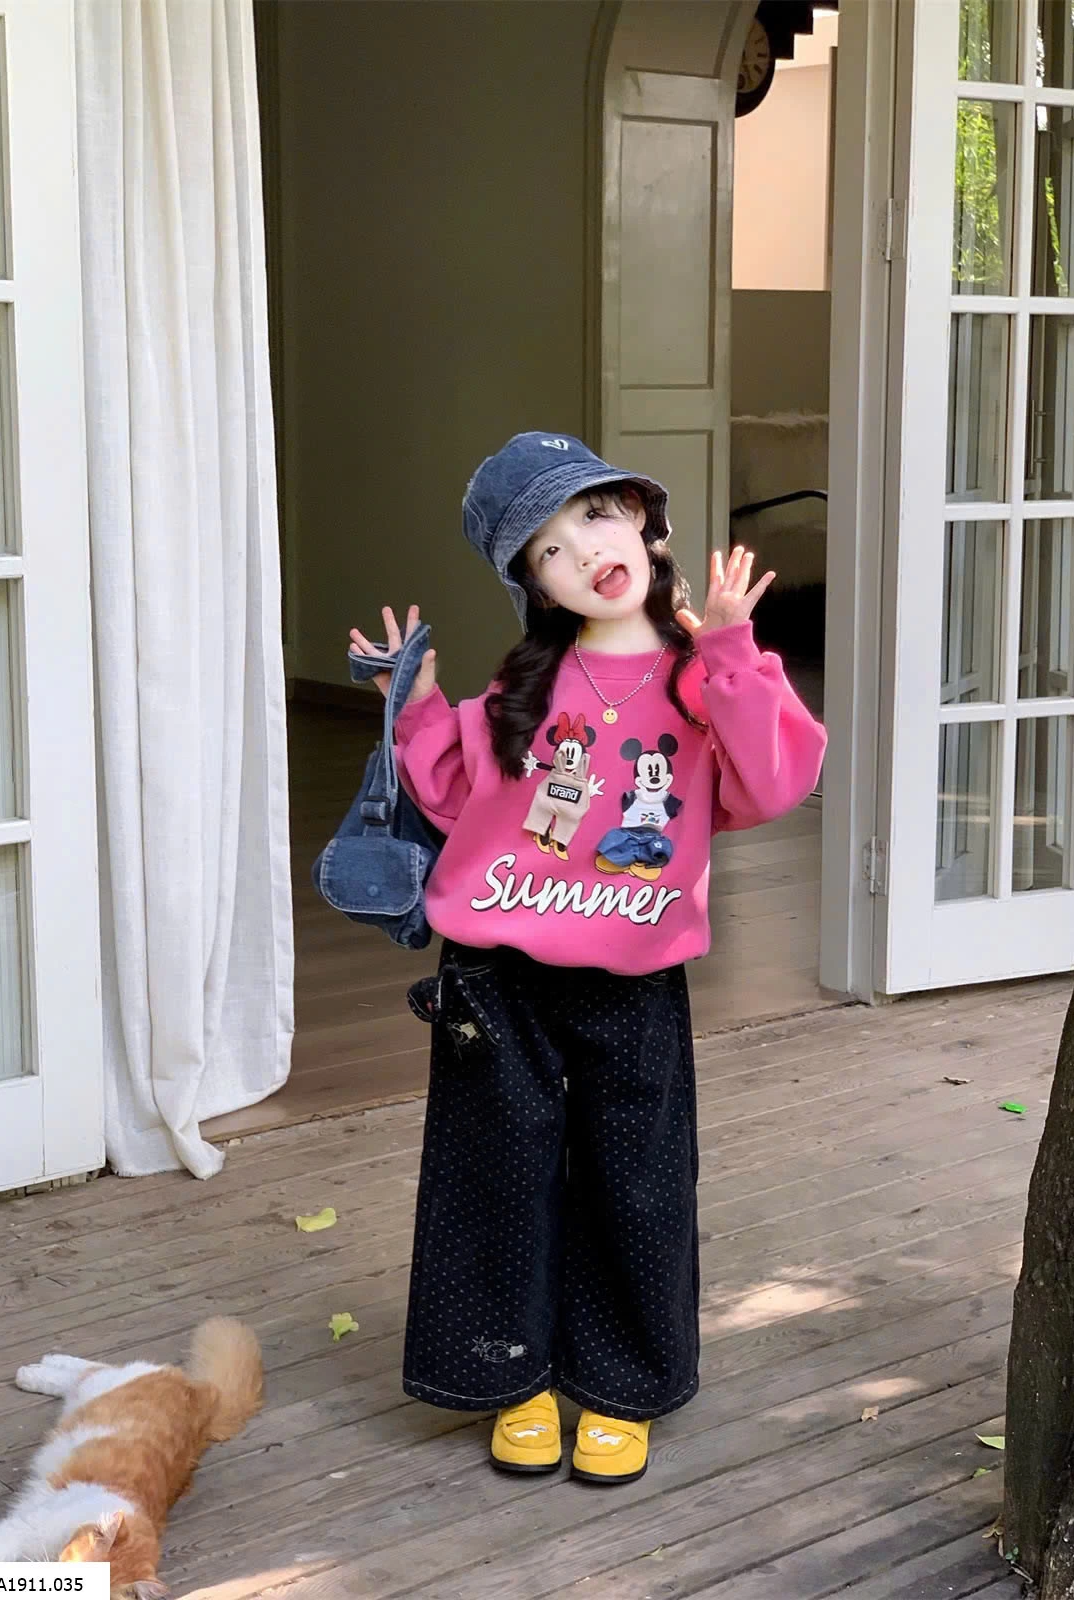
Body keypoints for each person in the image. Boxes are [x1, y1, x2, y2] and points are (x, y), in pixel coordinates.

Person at [349, 432, 827, 1485]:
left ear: (641, 519)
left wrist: (734, 649)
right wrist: (413, 701)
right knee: (495, 1175)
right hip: (496, 973)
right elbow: (452, 791)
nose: (585, 554)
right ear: (537, 587)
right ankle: (511, 1373)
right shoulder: (526, 682)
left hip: (635, 977)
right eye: (550, 551)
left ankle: (620, 1384)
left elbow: (775, 780)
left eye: (596, 517)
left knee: (637, 1181)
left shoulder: (705, 676)